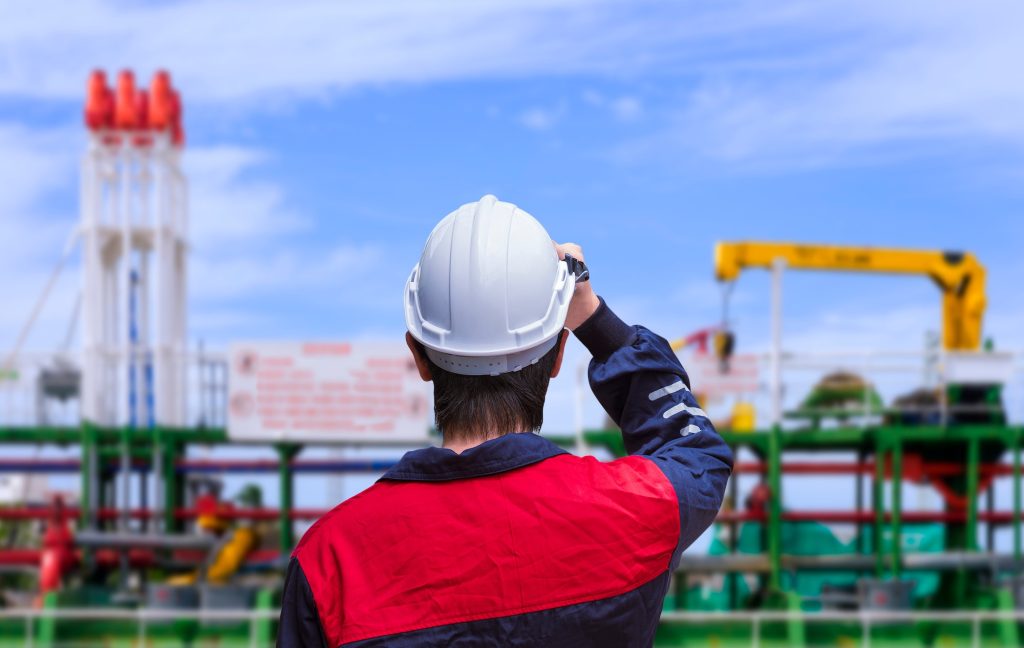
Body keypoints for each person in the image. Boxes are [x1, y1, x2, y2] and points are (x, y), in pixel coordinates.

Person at [278, 195, 733, 647]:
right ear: (558, 355)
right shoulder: (634, 508)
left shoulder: (329, 560)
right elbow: (696, 453)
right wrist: (594, 320)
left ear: (418, 355)